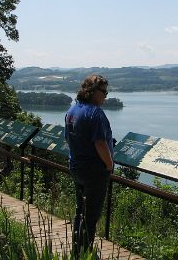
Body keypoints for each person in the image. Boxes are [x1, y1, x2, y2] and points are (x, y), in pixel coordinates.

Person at [65, 74, 114, 259]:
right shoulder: (95, 113)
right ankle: (84, 254)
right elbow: (100, 144)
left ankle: (77, 251)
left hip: (76, 166)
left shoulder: (72, 110)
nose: (106, 96)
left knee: (80, 211)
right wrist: (109, 165)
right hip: (94, 171)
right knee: (91, 216)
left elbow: (67, 138)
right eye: (104, 92)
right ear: (92, 92)